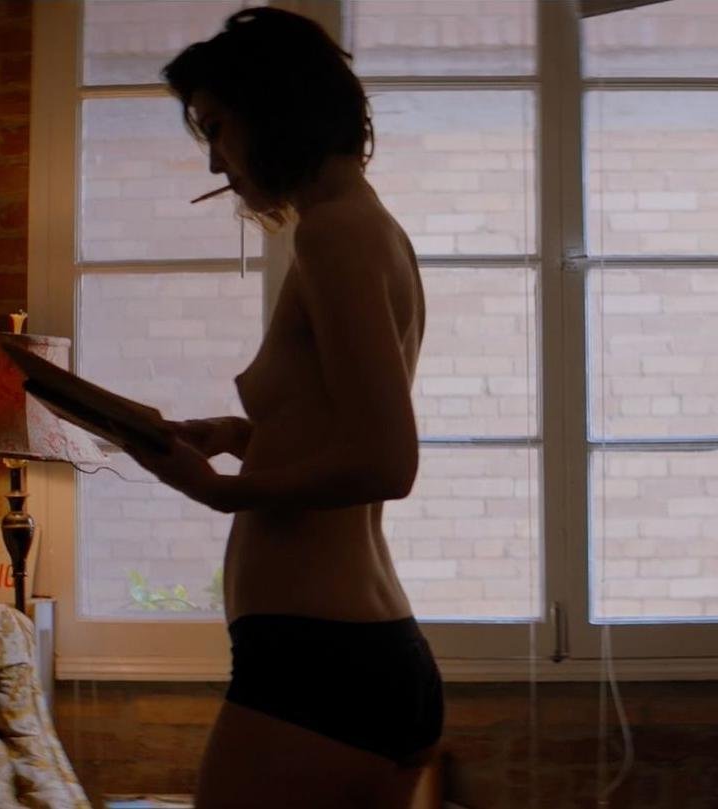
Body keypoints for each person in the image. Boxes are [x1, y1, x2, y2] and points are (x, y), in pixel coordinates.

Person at [131, 9, 439, 807]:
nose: (215, 158)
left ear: (273, 107)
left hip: (318, 663)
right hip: (356, 654)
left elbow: (388, 462)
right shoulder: (369, 227)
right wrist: (243, 435)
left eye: (216, 127)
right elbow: (345, 425)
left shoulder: (334, 235)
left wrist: (220, 490)